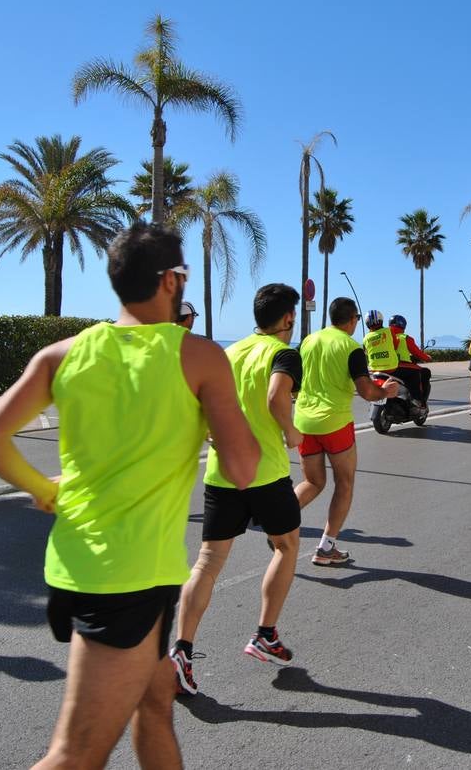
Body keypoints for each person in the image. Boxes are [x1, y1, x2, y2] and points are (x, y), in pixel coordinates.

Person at [0, 223, 259, 770]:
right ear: (172, 281)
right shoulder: (198, 357)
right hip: (127, 578)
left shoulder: (63, 354)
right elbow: (243, 469)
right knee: (76, 756)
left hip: (85, 565)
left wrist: (43, 490)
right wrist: (219, 414)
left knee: (156, 705)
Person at [170, 284, 304, 696]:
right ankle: (265, 633)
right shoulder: (283, 353)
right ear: (286, 319)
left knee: (207, 563)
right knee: (286, 546)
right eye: (293, 316)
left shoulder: (229, 353)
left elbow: (197, 403)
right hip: (264, 471)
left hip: (222, 473)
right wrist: (290, 430)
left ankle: (181, 652)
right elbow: (277, 395)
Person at [295, 297, 397, 566]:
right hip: (334, 422)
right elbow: (366, 391)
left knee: (313, 482)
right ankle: (326, 547)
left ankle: (279, 524)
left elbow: (295, 381)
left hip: (304, 421)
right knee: (345, 483)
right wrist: (385, 393)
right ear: (352, 320)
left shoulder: (308, 340)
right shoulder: (351, 347)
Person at [388, 314, 432, 403]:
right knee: (425, 372)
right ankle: (419, 401)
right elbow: (418, 353)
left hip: (385, 368)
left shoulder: (385, 337)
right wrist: (427, 358)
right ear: (403, 325)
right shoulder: (405, 338)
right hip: (401, 367)